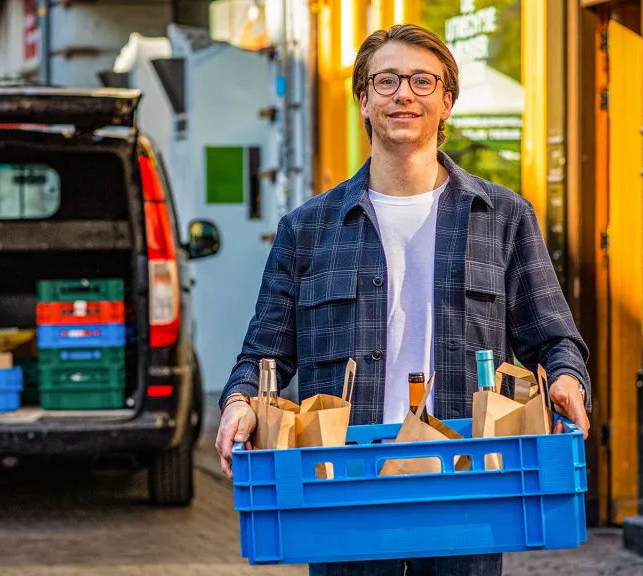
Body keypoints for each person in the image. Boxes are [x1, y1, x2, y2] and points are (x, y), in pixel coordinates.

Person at [214, 23, 592, 576]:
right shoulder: (309, 228)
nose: (403, 95)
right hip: (345, 487)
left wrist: (566, 379)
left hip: (468, 482)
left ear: (447, 101)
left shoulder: (504, 218)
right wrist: (239, 401)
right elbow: (263, 353)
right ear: (364, 101)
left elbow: (554, 337)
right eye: (386, 81)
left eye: (422, 80)